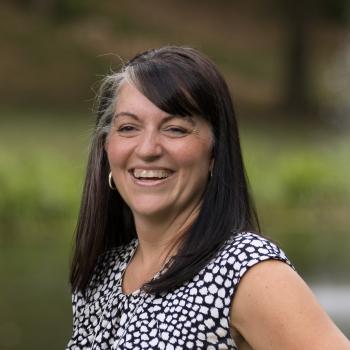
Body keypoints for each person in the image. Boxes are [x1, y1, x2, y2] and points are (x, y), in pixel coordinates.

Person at [66, 46, 349, 350]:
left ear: (214, 153)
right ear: (106, 148)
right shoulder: (101, 273)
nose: (148, 149)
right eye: (128, 128)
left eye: (175, 129)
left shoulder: (245, 271)